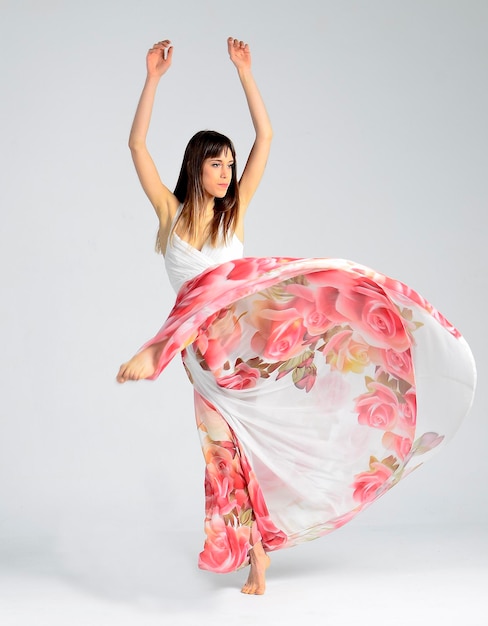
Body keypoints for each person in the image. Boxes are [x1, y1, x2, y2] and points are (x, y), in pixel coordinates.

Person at [117, 38, 476, 596]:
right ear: (196, 166)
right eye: (217, 163)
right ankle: (253, 550)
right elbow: (137, 144)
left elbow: (266, 138)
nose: (226, 172)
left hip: (246, 345)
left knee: (256, 300)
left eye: (229, 165)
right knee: (221, 451)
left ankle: (157, 353)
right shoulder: (170, 213)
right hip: (203, 356)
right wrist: (153, 79)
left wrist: (246, 74)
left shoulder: (234, 214)